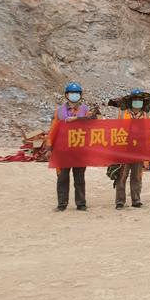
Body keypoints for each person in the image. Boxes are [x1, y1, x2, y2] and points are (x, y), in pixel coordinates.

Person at [48, 82, 97, 212]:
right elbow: (53, 129)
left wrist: (77, 119)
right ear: (66, 95)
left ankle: (81, 203)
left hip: (80, 150)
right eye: (71, 93)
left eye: (76, 93)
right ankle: (62, 204)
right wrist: (50, 146)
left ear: (80, 95)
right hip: (63, 150)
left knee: (79, 178)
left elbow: (93, 123)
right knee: (62, 178)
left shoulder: (85, 110)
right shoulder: (59, 111)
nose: (74, 95)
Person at [116, 89, 149, 209]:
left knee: (137, 176)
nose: (137, 101)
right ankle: (120, 201)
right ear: (130, 101)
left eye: (140, 99)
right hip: (124, 150)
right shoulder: (123, 113)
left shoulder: (145, 115)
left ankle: (136, 200)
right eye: (135, 99)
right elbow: (115, 129)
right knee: (122, 176)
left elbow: (149, 131)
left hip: (139, 150)